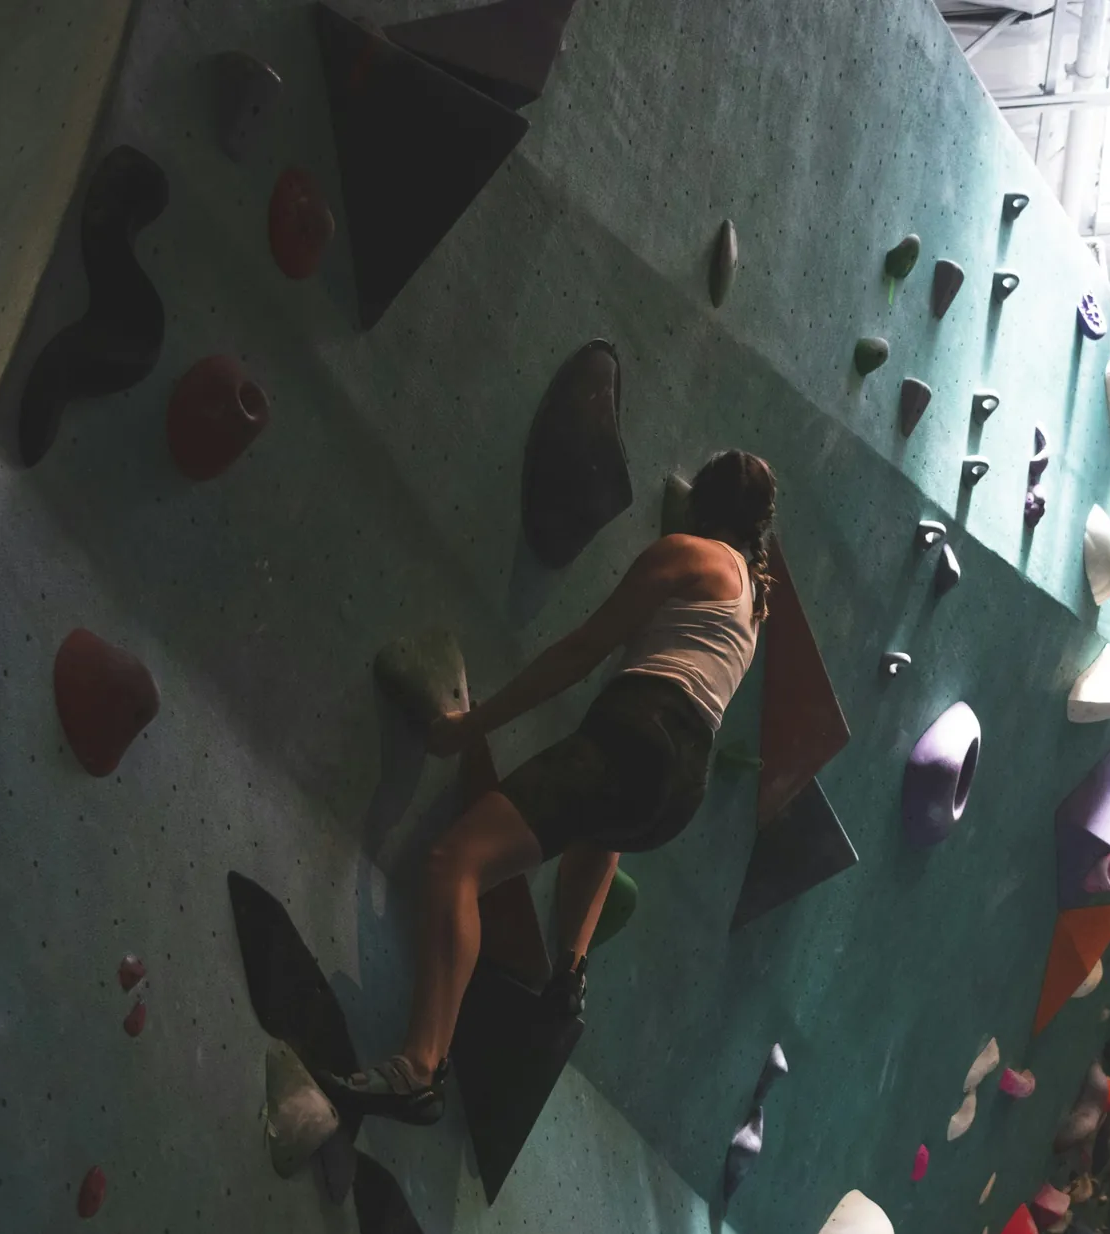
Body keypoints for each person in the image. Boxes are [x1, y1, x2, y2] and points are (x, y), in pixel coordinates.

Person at [328, 450, 777, 1124]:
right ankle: (570, 970)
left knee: (455, 862)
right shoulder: (751, 607)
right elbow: (617, 812)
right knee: (600, 823)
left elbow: (581, 651)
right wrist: (568, 957)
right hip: (681, 786)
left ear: (700, 505)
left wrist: (470, 726)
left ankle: (419, 1068)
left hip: (637, 734)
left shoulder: (684, 554)